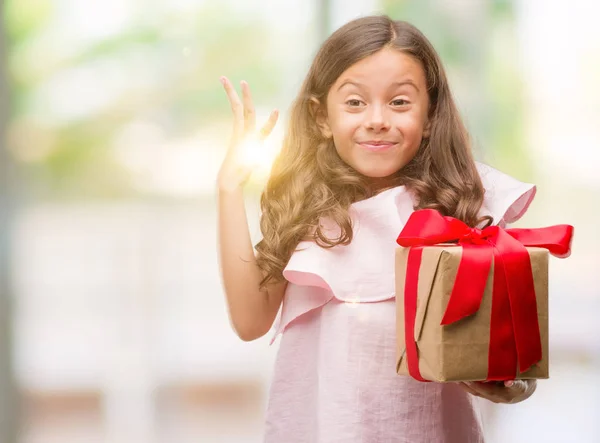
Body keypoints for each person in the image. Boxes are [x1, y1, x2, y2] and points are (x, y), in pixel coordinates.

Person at [217, 15, 537, 443]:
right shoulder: (304, 212)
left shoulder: (462, 208)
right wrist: (228, 188)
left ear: (430, 115)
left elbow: (516, 366)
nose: (377, 119)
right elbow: (250, 321)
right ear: (321, 118)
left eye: (400, 102)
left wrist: (511, 386)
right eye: (354, 103)